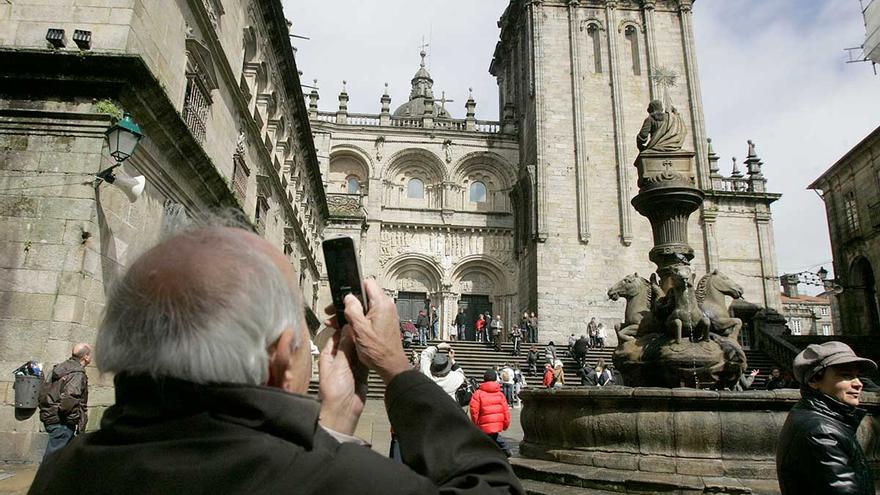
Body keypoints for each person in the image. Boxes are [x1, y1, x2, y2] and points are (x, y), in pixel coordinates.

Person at [29, 224, 522, 494]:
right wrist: (397, 368)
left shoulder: (65, 473)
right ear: (283, 360)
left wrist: (333, 426)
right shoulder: (351, 484)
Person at [776, 341, 877, 495]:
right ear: (814, 380)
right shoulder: (821, 433)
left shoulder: (817, 417)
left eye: (857, 375)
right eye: (846, 375)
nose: (858, 384)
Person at [38, 343, 92, 459]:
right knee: (52, 459)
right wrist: (73, 419)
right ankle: (46, 477)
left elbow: (44, 391)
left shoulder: (61, 368)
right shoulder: (77, 373)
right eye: (90, 354)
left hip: (52, 417)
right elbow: (69, 399)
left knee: (69, 456)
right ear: (86, 357)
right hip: (63, 422)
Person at [470, 369, 512, 457]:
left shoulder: (478, 394)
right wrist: (505, 424)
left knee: (485, 438)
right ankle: (505, 450)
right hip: (497, 423)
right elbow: (506, 412)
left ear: (484, 379)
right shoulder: (500, 394)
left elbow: (474, 411)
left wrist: (475, 423)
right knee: (495, 436)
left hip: (483, 424)